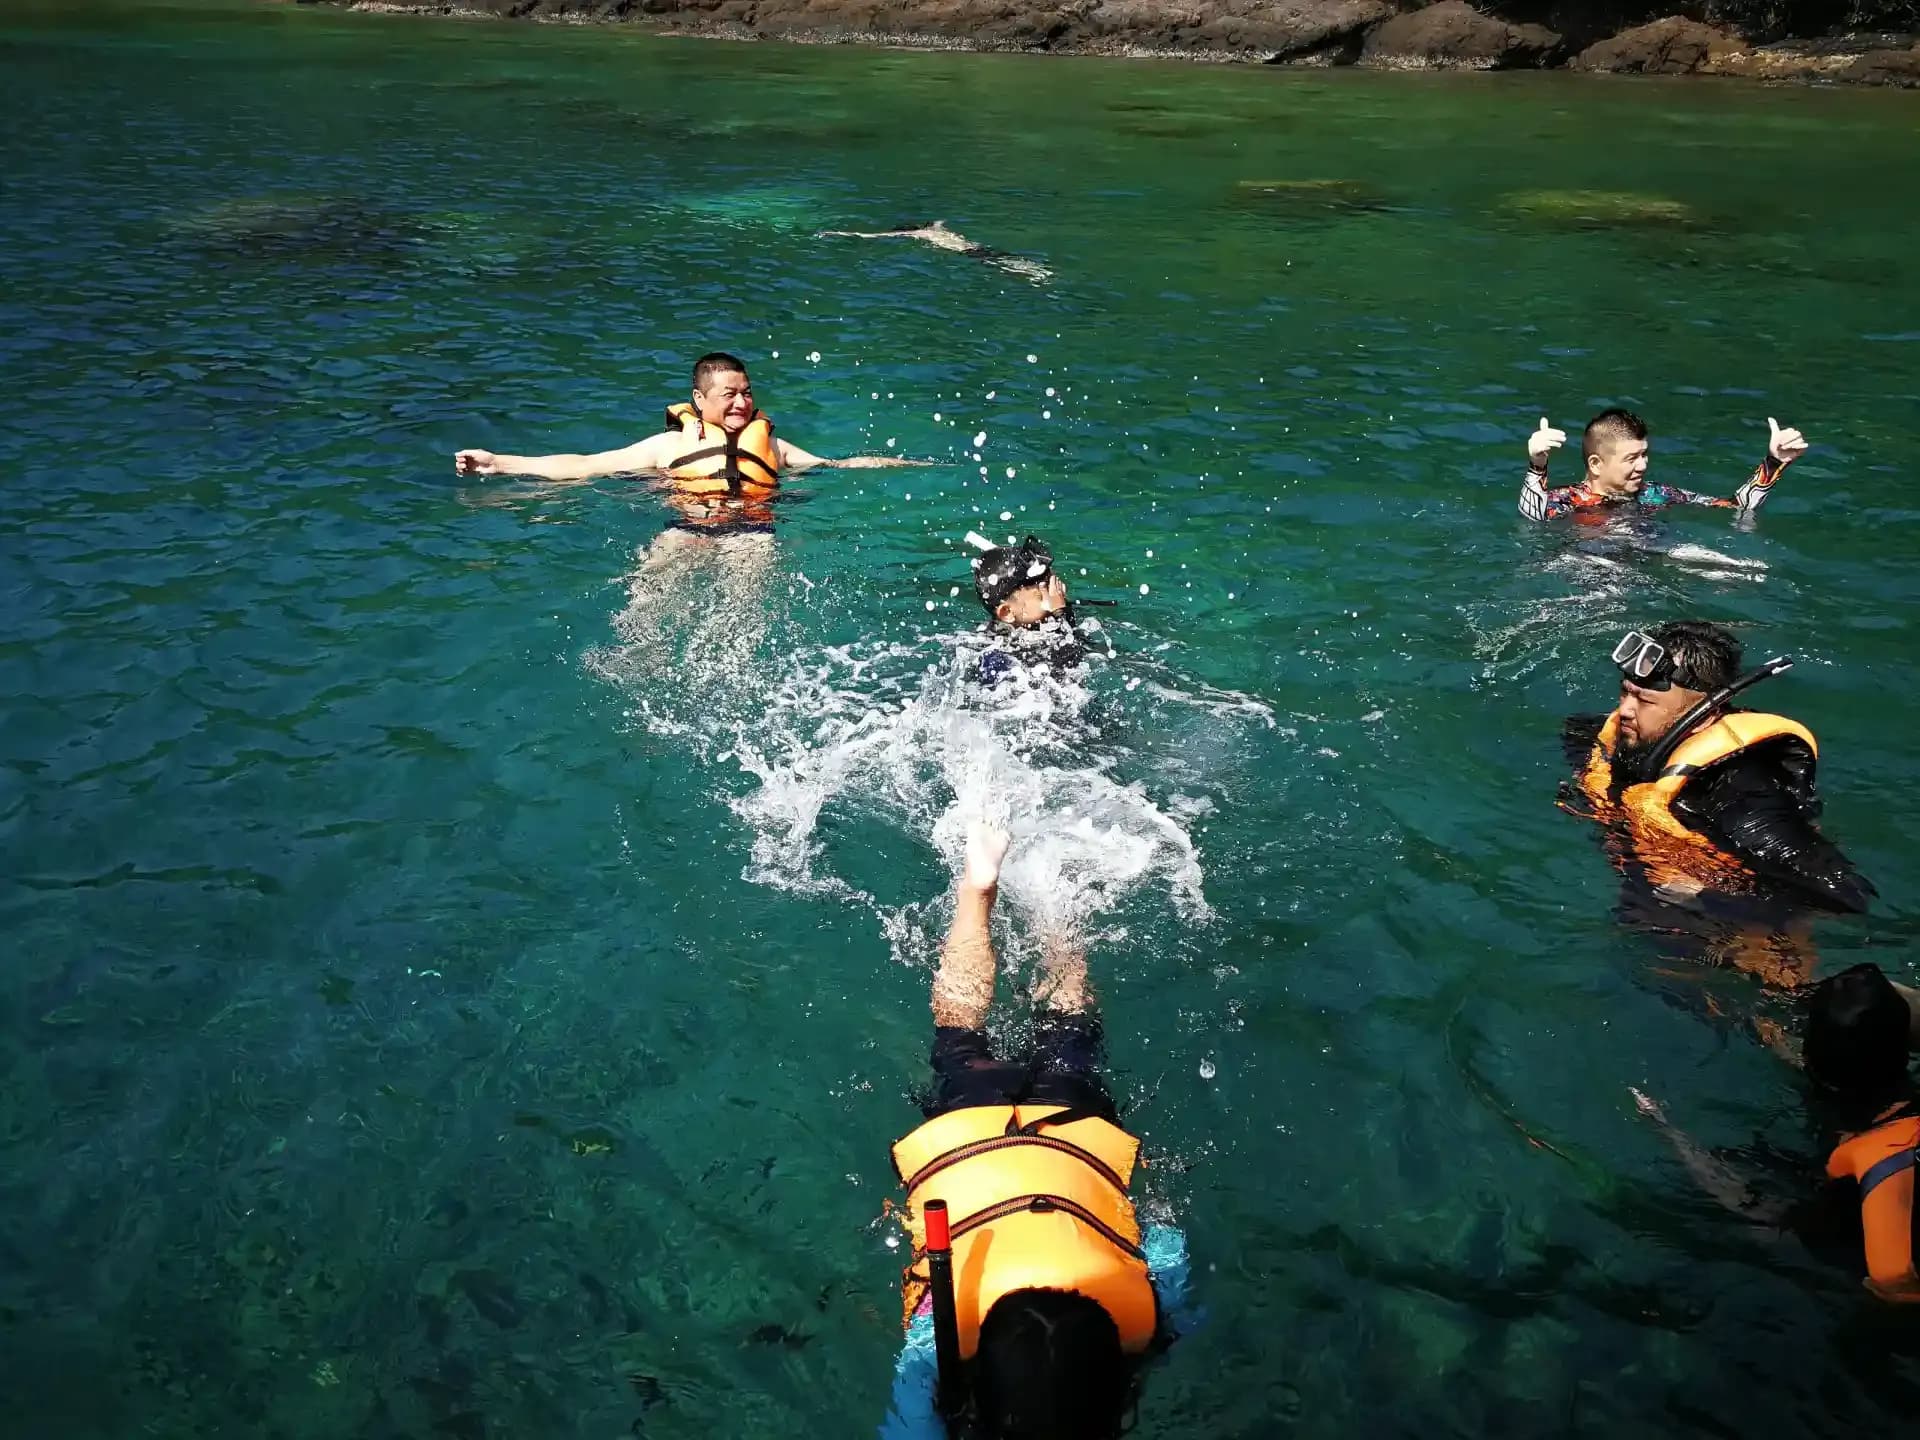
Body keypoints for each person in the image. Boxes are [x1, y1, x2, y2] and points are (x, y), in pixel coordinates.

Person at [881, 824, 1183, 1440]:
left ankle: (1052, 916)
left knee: (1070, 1030)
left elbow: (1168, 1246)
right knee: (959, 1036)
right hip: (969, 1134)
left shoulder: (1147, 1320)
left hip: (1070, 1128)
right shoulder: (932, 1347)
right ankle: (980, 892)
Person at [1631, 962, 1920, 1303]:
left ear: (1811, 1057)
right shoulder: (1890, 1116)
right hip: (1872, 1108)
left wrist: (1669, 1133)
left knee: (1748, 1194)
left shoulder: (1884, 1155)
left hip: (1844, 1235)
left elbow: (1892, 1277)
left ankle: (1665, 1130)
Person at [1564, 619, 1872, 918]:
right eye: (1625, 691)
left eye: (1645, 700)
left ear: (1705, 716)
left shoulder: (1737, 792)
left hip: (1726, 929)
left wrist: (1709, 898)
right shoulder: (1610, 736)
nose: (1625, 710)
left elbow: (1843, 894)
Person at [452, 351, 914, 532]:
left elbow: (835, 466)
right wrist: (502, 463)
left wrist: (902, 466)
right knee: (650, 590)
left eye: (747, 393)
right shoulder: (669, 445)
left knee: (744, 595)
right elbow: (586, 465)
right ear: (699, 398)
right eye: (729, 395)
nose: (741, 404)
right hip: (687, 526)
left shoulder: (775, 446)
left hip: (752, 528)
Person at [1518, 409, 1807, 523]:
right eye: (1631, 458)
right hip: (1589, 576)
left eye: (1644, 454)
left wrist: (1773, 463)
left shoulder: (1656, 494)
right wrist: (1537, 464)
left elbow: (1737, 507)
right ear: (1596, 463)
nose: (1643, 465)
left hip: (1649, 572)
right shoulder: (1571, 499)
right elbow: (1533, 516)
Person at [968, 535, 1109, 684]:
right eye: (1044, 591)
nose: (1057, 596)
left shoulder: (1032, 629)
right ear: (1007, 612)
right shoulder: (996, 658)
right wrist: (1061, 614)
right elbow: (1067, 669)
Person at [819, 220, 1054, 285]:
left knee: (1002, 267)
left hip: (968, 253)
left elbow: (871, 236)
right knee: (1004, 259)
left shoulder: (919, 234)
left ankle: (1034, 276)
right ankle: (1037, 270)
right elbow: (939, 222)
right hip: (975, 247)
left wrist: (838, 233)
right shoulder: (935, 229)